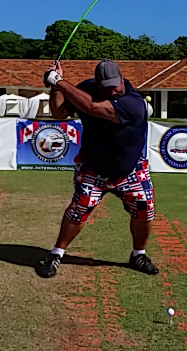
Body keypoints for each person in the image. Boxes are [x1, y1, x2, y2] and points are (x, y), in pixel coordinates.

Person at [35, 59, 159, 279]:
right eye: (106, 86)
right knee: (78, 210)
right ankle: (56, 253)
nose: (112, 90)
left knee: (145, 209)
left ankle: (138, 254)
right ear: (98, 83)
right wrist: (55, 88)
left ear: (122, 78)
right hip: (94, 167)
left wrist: (60, 81)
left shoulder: (134, 102)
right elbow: (59, 114)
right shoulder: (86, 89)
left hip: (130, 170)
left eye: (115, 85)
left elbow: (92, 107)